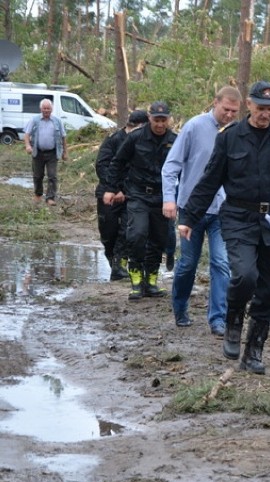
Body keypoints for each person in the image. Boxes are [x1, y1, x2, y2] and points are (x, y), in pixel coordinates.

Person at [180, 81, 270, 373]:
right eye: (260, 108)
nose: (265, 114)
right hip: (238, 218)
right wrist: (189, 217)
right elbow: (210, 179)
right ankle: (233, 322)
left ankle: (254, 351)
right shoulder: (230, 137)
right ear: (249, 105)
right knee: (244, 275)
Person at [162, 87, 242, 336]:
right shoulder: (194, 127)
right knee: (188, 263)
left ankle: (218, 318)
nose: (229, 115)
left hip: (222, 210)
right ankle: (180, 307)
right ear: (215, 103)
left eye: (234, 111)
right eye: (225, 109)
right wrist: (169, 199)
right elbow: (171, 165)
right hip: (192, 210)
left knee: (221, 263)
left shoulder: (237, 134)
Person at [107, 102, 178, 300]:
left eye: (164, 120)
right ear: (149, 118)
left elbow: (182, 167)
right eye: (157, 120)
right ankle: (136, 279)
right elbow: (117, 162)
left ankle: (151, 282)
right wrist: (114, 188)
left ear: (168, 119)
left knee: (158, 240)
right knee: (137, 235)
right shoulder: (136, 137)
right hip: (138, 194)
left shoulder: (174, 140)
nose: (160, 125)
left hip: (162, 197)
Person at [95, 110, 149, 281]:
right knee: (108, 232)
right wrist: (114, 189)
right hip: (109, 193)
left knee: (127, 230)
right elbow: (102, 165)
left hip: (131, 194)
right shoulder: (113, 140)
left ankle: (119, 265)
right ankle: (113, 260)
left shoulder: (144, 143)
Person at [23, 99, 68, 205]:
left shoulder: (57, 121)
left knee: (52, 176)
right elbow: (27, 134)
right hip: (38, 152)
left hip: (52, 153)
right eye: (44, 108)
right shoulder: (34, 120)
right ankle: (38, 195)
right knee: (38, 175)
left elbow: (63, 137)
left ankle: (50, 198)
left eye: (48, 108)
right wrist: (27, 145)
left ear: (51, 109)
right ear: (41, 109)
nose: (46, 110)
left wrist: (65, 152)